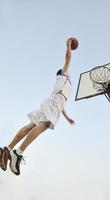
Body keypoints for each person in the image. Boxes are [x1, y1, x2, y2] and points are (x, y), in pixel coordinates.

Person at [0, 38, 76, 175]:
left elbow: (62, 106)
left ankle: (8, 148)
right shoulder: (64, 76)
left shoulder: (63, 87)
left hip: (53, 102)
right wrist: (69, 46)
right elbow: (67, 59)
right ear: (63, 73)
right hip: (54, 102)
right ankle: (18, 152)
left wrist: (67, 117)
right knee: (45, 124)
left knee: (32, 125)